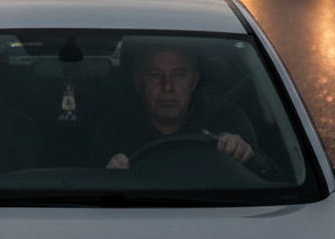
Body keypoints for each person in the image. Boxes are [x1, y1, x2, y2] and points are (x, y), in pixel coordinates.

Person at [87, 42, 279, 178]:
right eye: (155, 75)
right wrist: (109, 175)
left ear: (195, 80)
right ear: (138, 83)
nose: (168, 86)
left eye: (179, 75)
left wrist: (247, 156)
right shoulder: (115, 127)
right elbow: (89, 190)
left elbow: (272, 177)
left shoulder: (226, 118)